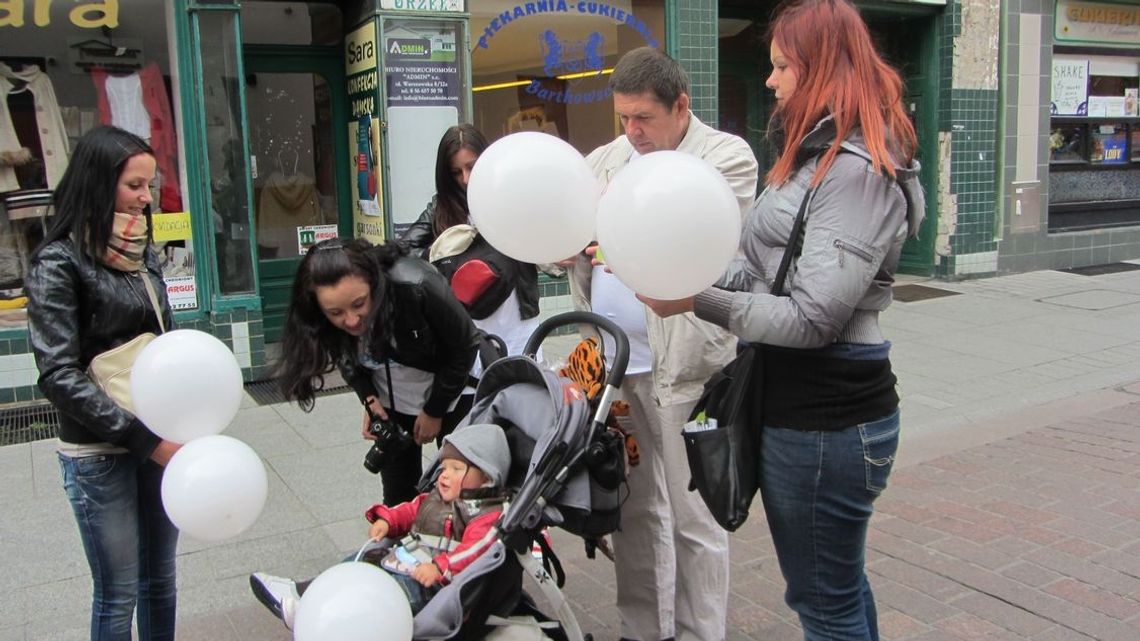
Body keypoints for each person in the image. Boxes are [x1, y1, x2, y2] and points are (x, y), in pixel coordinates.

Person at [641, 2, 925, 639]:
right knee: (836, 588)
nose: (769, 81)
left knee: (823, 601)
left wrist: (693, 301)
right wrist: (683, 274)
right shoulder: (816, 154)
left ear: (821, 66)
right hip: (803, 402)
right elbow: (757, 266)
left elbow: (812, 319)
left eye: (780, 66)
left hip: (829, 413)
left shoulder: (858, 172)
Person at [564, 47, 759, 641]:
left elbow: (703, 246)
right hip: (616, 370)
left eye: (644, 117)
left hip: (688, 369)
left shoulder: (725, 157)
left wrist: (610, 236)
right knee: (634, 510)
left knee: (694, 518)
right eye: (622, 118)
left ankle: (701, 633)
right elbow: (566, 239)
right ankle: (643, 630)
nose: (632, 133)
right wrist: (570, 243)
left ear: (681, 106)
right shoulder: (606, 159)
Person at [25, 125, 180, 641]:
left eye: (150, 185)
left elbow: (162, 340)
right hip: (99, 449)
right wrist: (144, 440)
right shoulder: (58, 261)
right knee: (118, 592)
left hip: (157, 438)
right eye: (134, 185)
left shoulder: (142, 250)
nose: (145, 197)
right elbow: (58, 373)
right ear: (99, 181)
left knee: (160, 578)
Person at [276, 237, 480, 506]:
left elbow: (465, 346)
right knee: (397, 497)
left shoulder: (415, 285)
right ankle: (399, 545)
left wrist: (434, 410)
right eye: (335, 312)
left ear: (374, 282)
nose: (350, 320)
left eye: (359, 304)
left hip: (456, 389)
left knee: (461, 494)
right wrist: (369, 398)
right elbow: (347, 358)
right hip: (394, 400)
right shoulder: (320, 318)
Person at [249, 423, 511, 629]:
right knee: (357, 563)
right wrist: (386, 519)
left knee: (376, 595)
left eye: (456, 469)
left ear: (485, 477)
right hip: (405, 559)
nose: (444, 475)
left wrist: (440, 568)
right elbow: (410, 509)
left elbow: (475, 551)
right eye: (443, 467)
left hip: (431, 586)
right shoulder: (437, 497)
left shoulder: (485, 515)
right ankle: (302, 593)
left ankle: (323, 617)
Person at [401, 124, 543, 378]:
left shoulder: (511, 198)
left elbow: (541, 240)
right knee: (480, 397)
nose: (465, 179)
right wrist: (445, 255)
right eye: (456, 172)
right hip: (471, 321)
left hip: (517, 316)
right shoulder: (441, 208)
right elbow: (404, 252)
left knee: (529, 393)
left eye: (471, 166)